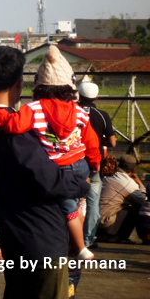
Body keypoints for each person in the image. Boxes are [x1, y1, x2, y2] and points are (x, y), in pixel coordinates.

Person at [0, 46, 90, 299]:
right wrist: (83, 185)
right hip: (42, 239)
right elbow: (50, 181)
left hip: (12, 237)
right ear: (19, 82)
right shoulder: (17, 132)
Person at [76, 82, 116, 249]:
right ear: (97, 97)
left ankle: (69, 237)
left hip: (73, 161)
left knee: (71, 200)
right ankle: (87, 240)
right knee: (93, 202)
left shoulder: (72, 111)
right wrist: (99, 140)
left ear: (78, 95)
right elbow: (112, 142)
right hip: (94, 163)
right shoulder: (102, 115)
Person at [98, 154, 147, 243]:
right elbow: (144, 202)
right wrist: (140, 184)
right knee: (137, 207)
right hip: (107, 225)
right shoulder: (129, 184)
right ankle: (122, 237)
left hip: (95, 225)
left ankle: (104, 236)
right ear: (134, 170)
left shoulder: (108, 175)